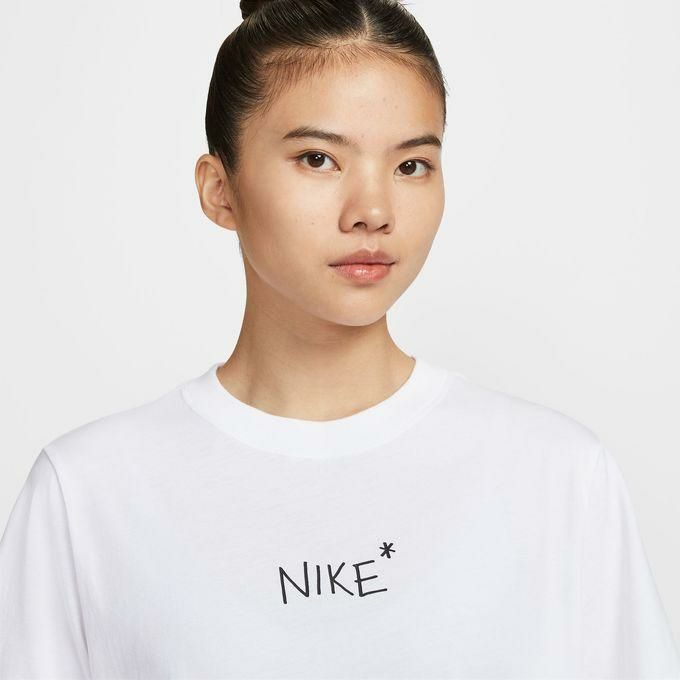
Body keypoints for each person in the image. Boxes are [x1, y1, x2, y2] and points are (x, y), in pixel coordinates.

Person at [1, 0, 679, 677]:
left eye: (411, 165)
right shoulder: (88, 497)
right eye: (318, 159)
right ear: (219, 189)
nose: (373, 212)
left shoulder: (559, 478)